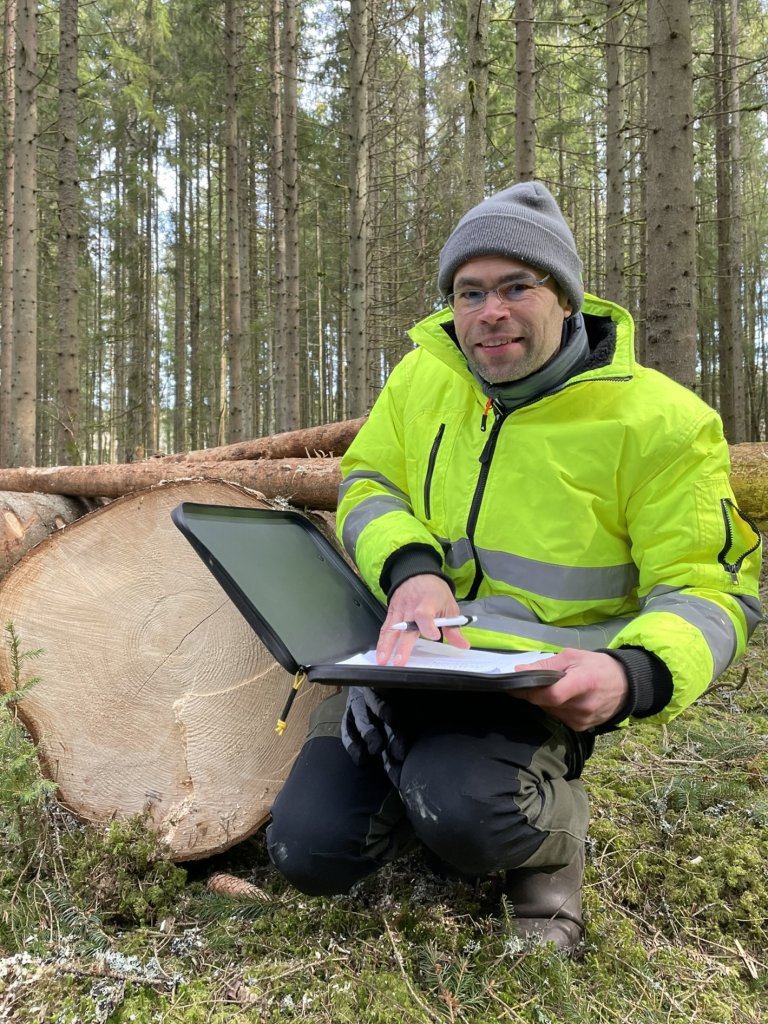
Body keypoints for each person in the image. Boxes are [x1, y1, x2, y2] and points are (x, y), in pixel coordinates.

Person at [266, 182, 762, 952]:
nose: (489, 312)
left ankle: (548, 857)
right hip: (400, 659)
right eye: (470, 292)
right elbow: (368, 485)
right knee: (310, 850)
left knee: (468, 810)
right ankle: (413, 785)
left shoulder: (663, 424)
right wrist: (412, 571)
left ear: (564, 295)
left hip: (534, 688)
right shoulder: (421, 379)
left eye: (515, 287)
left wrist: (633, 674)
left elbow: (712, 589)